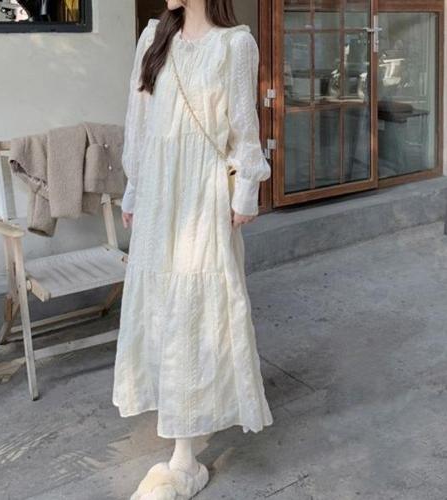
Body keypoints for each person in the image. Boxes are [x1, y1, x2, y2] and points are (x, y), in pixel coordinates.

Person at [112, 1, 274, 498]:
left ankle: (184, 459)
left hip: (203, 195)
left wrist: (246, 191)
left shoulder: (235, 45)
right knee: (161, 309)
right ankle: (181, 424)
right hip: (159, 197)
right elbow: (140, 123)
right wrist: (134, 189)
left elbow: (244, 126)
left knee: (194, 311)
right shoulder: (153, 38)